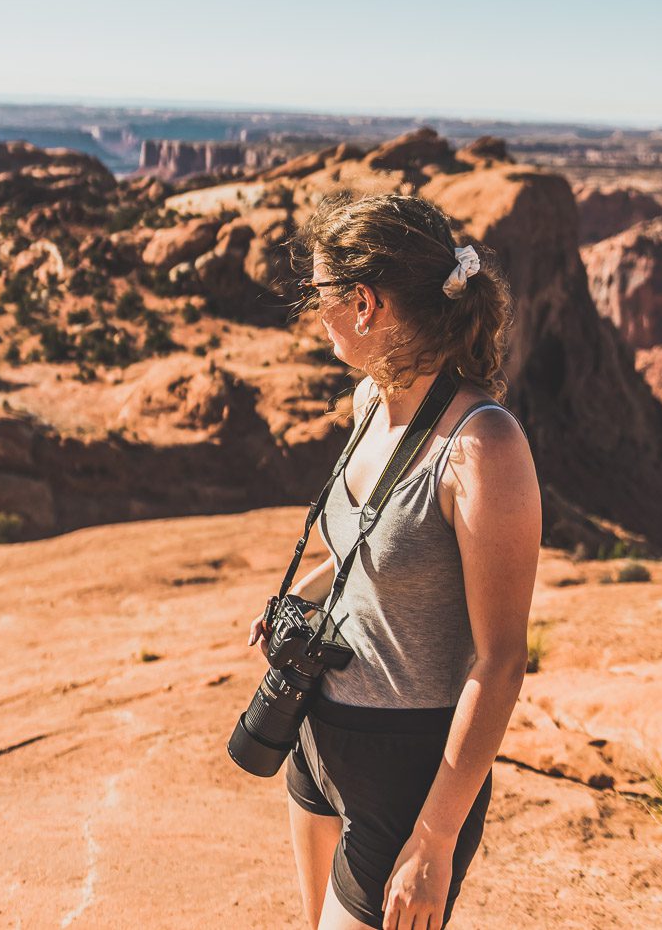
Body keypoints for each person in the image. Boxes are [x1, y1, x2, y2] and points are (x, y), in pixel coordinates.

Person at [247, 191, 541, 930]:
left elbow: (501, 660)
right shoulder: (369, 401)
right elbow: (367, 550)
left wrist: (435, 839)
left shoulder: (484, 445)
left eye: (321, 295)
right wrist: (301, 599)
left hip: (405, 774)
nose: (317, 312)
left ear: (366, 302)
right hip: (317, 738)